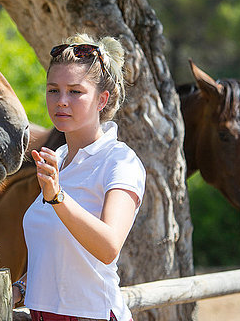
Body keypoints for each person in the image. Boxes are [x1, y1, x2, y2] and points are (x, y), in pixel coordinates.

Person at [12, 34, 146, 321]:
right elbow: (58, 250)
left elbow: (109, 248)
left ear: (102, 99)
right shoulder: (57, 159)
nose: (61, 101)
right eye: (53, 90)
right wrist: (22, 286)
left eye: (75, 92)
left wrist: (57, 197)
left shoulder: (120, 161)